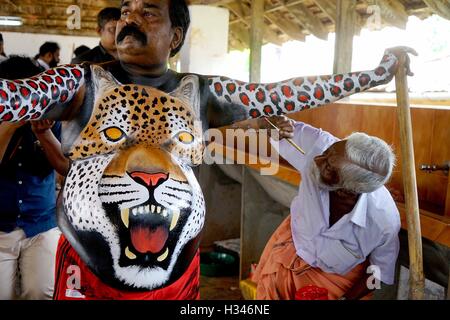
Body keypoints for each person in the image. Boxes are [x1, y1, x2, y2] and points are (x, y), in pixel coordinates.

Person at [0, 0, 415, 300]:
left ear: (175, 36)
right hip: (88, 273)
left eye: (148, 12)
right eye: (126, 10)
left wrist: (375, 76)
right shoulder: (79, 83)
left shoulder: (201, 91)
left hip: (175, 273)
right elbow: (13, 96)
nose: (130, 18)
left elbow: (284, 93)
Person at [251, 116, 401, 300]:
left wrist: (347, 298)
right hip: (291, 249)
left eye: (328, 167)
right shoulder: (320, 146)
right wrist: (273, 124)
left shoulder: (383, 221)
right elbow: (275, 125)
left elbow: (377, 273)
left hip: (332, 283)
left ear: (347, 191)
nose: (317, 160)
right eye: (327, 152)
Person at [0, 56, 68, 299]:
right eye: (15, 95)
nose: (24, 102)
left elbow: (65, 167)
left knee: (40, 291)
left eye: (28, 93)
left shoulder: (50, 116)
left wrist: (45, 134)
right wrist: (10, 124)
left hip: (41, 223)